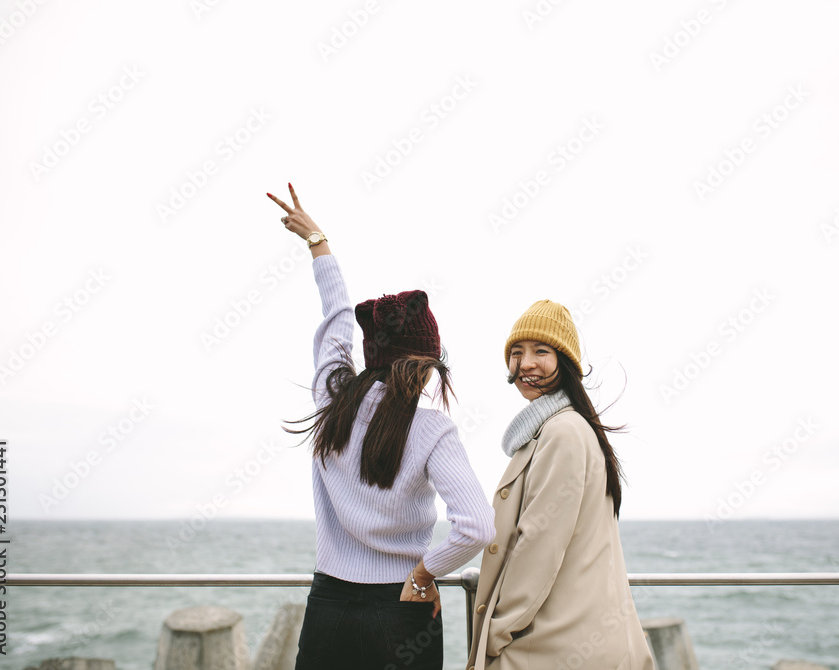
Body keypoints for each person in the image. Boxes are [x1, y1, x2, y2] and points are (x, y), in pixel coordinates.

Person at [267, 184, 495, 670]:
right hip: (403, 610)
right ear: (424, 364)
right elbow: (476, 527)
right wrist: (424, 574)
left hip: (328, 606)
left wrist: (318, 243)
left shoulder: (331, 398)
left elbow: (337, 320)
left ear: (372, 355)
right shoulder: (433, 430)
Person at [466, 300, 655, 670]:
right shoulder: (564, 427)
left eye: (541, 351)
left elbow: (539, 543)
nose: (526, 363)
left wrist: (496, 633)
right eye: (516, 352)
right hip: (573, 635)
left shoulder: (562, 432)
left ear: (565, 362)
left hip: (554, 643)